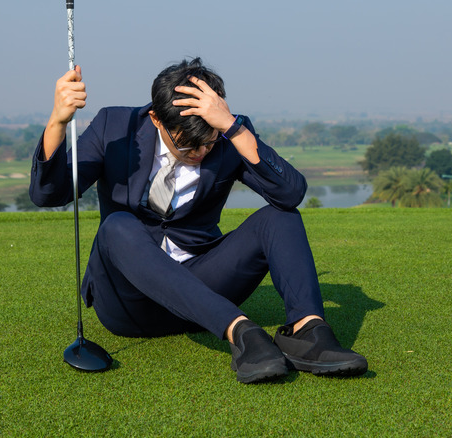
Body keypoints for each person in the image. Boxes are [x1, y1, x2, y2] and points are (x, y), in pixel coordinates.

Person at [30, 57, 367, 383]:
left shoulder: (227, 134)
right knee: (117, 224)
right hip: (128, 304)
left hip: (201, 285)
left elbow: (290, 194)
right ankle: (241, 332)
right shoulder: (115, 127)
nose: (201, 152)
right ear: (157, 120)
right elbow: (49, 194)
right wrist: (58, 122)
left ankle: (308, 334)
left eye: (208, 142)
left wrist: (231, 128)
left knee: (280, 217)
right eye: (188, 144)